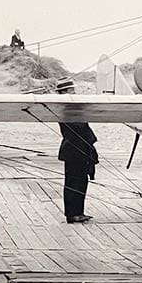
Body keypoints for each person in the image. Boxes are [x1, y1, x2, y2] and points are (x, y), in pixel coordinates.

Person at [55, 78, 97, 223]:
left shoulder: (69, 108)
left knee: (80, 181)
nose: (74, 92)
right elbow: (79, 128)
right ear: (65, 92)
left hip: (77, 149)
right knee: (74, 182)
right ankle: (73, 214)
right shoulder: (68, 109)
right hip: (74, 150)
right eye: (72, 90)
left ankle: (77, 212)